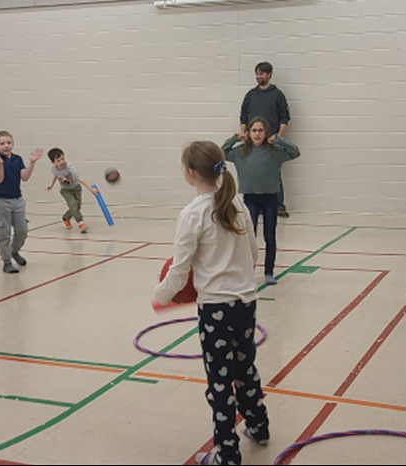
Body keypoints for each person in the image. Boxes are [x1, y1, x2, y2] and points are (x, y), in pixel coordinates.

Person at [155, 140, 270, 466]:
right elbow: (253, 253)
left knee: (220, 383)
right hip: (246, 304)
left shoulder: (192, 214)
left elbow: (180, 270)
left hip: (215, 311)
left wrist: (161, 295)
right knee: (245, 369)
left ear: (191, 173)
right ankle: (259, 426)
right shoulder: (238, 203)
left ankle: (227, 454)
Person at [222, 117, 300, 286]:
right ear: (248, 133)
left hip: (270, 198)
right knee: (250, 237)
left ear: (266, 133)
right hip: (250, 199)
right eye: (254, 130)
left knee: (270, 236)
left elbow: (295, 152)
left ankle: (269, 272)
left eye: (260, 130)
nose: (257, 134)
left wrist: (279, 139)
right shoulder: (240, 152)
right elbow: (221, 153)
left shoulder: (275, 151)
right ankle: (248, 271)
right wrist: (234, 138)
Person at [239, 61, 292, 218]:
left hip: (270, 141)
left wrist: (278, 137)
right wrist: (243, 133)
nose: (258, 76)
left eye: (261, 73)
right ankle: (256, 205)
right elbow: (243, 116)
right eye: (257, 74)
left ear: (269, 74)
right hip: (252, 142)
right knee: (254, 170)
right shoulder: (250, 95)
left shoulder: (277, 95)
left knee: (273, 172)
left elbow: (284, 117)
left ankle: (278, 205)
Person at [0, 131, 42, 274]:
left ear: (13, 144)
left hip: (17, 200)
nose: (6, 146)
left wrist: (32, 163)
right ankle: (6, 261)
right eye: (2, 143)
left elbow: (24, 177)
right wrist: (0, 164)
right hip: (0, 201)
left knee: (22, 230)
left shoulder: (17, 159)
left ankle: (14, 251)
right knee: (4, 233)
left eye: (9, 143)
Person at [44, 148, 98, 233]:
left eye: (63, 159)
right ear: (53, 162)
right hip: (65, 190)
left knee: (77, 207)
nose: (62, 162)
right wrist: (51, 185)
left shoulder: (69, 167)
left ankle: (66, 218)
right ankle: (81, 223)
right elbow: (55, 175)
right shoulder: (54, 169)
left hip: (76, 189)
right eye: (58, 161)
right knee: (73, 205)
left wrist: (91, 189)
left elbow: (79, 178)